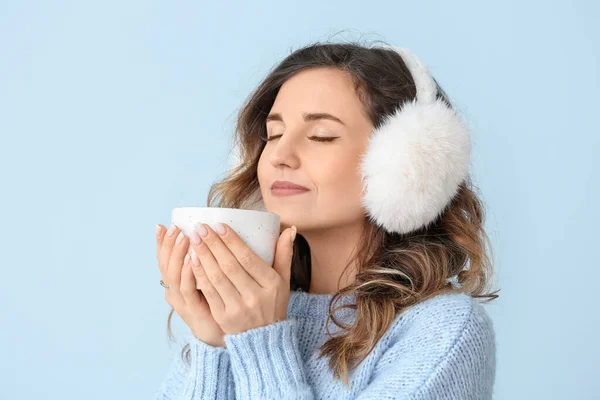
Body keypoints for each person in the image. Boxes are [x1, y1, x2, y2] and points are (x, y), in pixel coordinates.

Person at [154, 41, 500, 399]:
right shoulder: (248, 312)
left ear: (406, 166)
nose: (280, 156)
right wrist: (216, 347)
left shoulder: (443, 330)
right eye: (273, 135)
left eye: (321, 136)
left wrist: (260, 344)